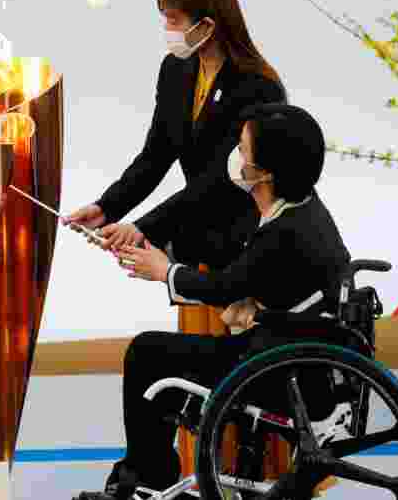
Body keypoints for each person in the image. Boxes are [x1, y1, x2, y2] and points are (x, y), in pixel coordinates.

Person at [74, 103, 350, 500]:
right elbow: (237, 263)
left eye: (242, 149)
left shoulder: (286, 230)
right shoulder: (301, 208)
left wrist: (164, 271)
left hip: (275, 368)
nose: (234, 157)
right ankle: (150, 475)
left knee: (147, 353)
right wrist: (152, 244)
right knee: (161, 354)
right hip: (292, 355)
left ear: (264, 173)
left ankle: (146, 479)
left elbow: (225, 285)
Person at [64, 0, 286, 268]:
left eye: (174, 20)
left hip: (248, 247)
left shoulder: (259, 88)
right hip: (197, 243)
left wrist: (144, 228)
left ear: (207, 25)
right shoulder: (175, 70)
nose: (168, 30)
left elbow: (222, 180)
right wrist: (107, 207)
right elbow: (156, 155)